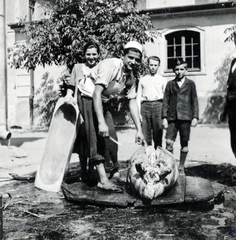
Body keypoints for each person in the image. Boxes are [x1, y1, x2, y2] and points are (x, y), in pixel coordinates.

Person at [92, 41, 145, 191]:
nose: (133, 62)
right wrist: (101, 122)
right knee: (94, 138)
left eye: (137, 59)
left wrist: (139, 130)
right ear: (123, 55)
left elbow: (133, 102)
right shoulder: (112, 66)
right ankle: (102, 179)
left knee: (111, 136)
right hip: (88, 98)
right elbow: (96, 93)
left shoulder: (130, 76)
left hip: (102, 102)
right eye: (130, 57)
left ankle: (113, 170)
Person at [65, 41, 103, 183]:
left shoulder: (101, 67)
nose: (91, 57)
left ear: (98, 55)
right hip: (80, 104)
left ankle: (94, 169)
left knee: (94, 137)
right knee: (82, 137)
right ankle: (83, 170)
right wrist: (69, 96)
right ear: (84, 55)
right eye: (88, 54)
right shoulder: (78, 67)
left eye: (94, 54)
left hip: (95, 104)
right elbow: (71, 85)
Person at [162, 58, 199, 173]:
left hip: (185, 117)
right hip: (172, 117)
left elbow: (194, 100)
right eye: (177, 69)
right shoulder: (170, 84)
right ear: (173, 70)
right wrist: (164, 117)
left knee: (184, 142)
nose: (179, 71)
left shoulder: (190, 84)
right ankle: (171, 166)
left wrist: (195, 117)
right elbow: (165, 101)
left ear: (186, 70)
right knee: (169, 142)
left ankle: (181, 166)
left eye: (182, 69)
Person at [136, 56, 167, 149]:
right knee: (146, 133)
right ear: (148, 65)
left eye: (155, 65)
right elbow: (138, 97)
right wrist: (139, 113)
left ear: (159, 66)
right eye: (151, 65)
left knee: (158, 132)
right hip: (145, 106)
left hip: (158, 105)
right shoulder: (143, 79)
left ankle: (158, 154)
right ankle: (147, 155)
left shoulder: (162, 80)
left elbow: (166, 98)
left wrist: (165, 114)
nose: (153, 67)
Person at [219, 58, 236, 158]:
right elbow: (229, 88)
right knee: (234, 137)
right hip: (232, 106)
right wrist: (225, 111)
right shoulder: (234, 62)